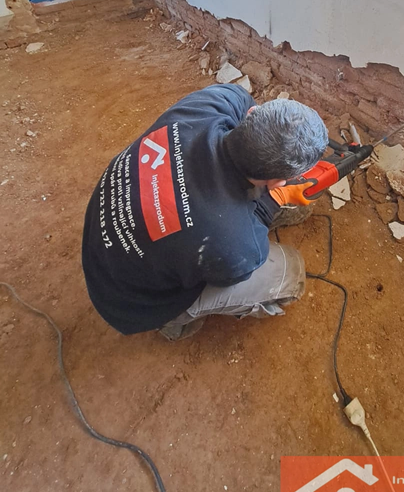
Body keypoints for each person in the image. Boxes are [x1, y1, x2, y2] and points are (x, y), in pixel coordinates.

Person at [81, 84, 328, 340]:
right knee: (291, 271)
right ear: (278, 182)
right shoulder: (238, 248)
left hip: (100, 244)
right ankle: (173, 323)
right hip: (131, 303)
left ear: (252, 114)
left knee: (209, 238)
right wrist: (273, 201)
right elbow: (231, 270)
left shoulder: (213, 102)